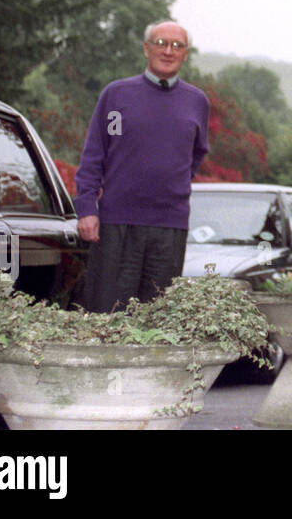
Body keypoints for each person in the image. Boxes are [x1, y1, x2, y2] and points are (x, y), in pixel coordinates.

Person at [74, 21, 210, 312]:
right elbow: (95, 153)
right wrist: (86, 207)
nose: (168, 51)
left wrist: (171, 184)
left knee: (158, 315)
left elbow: (196, 153)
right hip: (116, 224)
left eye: (177, 46)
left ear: (186, 54)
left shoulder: (197, 102)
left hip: (169, 227)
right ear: (146, 48)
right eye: (161, 42)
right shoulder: (117, 95)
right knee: (106, 312)